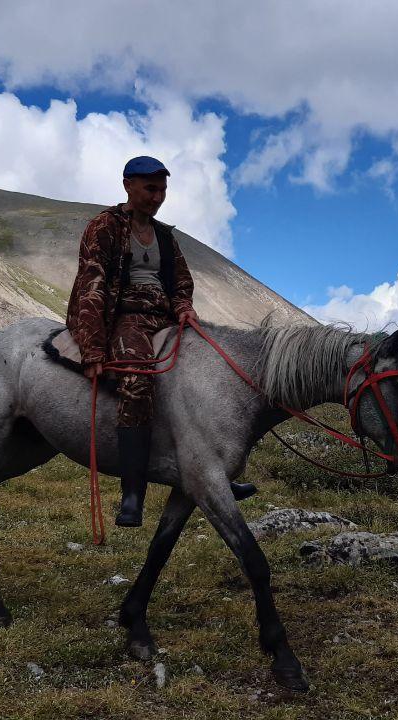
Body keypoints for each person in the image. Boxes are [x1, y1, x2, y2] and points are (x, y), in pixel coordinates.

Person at [66, 156, 256, 527]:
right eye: (151, 189)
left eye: (163, 189)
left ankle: (212, 473)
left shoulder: (165, 236)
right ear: (128, 185)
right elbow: (92, 286)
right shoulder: (103, 227)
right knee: (137, 382)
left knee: (208, 375)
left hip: (165, 317)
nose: (158, 197)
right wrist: (92, 348)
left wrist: (184, 307)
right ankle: (132, 493)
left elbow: (181, 282)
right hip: (124, 317)